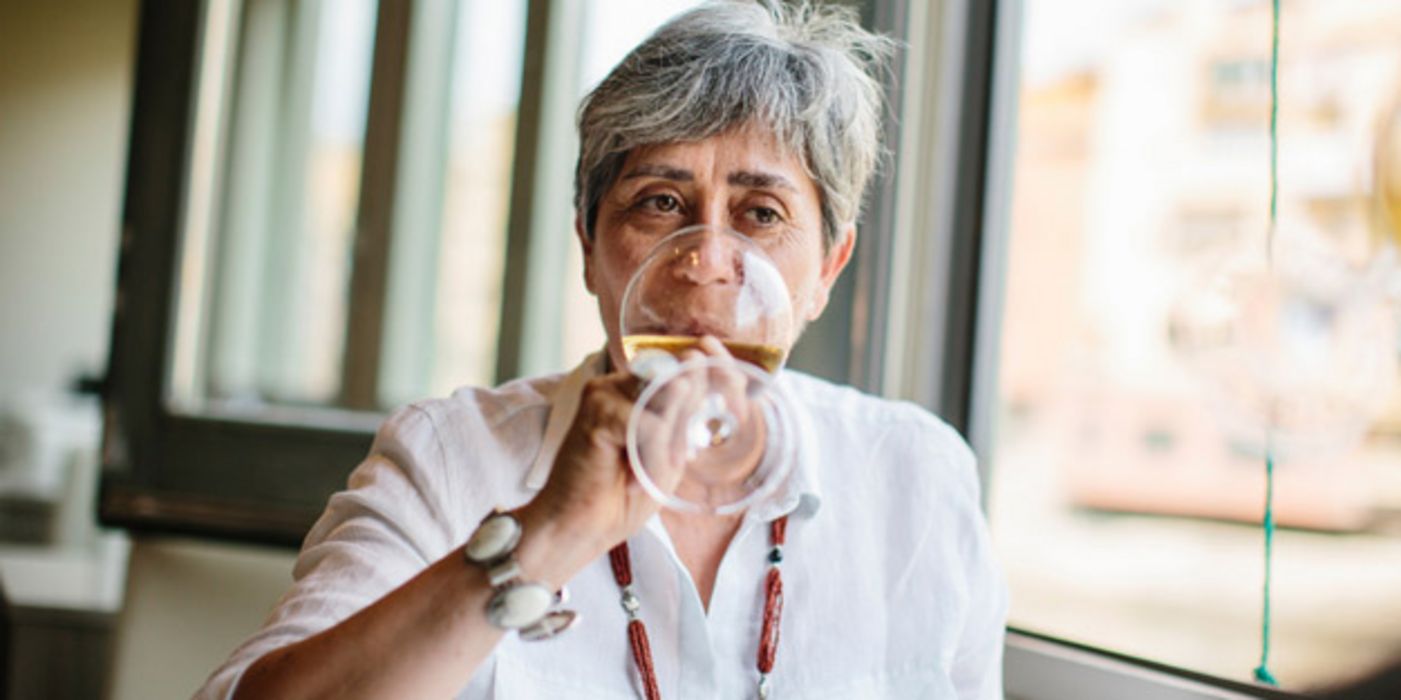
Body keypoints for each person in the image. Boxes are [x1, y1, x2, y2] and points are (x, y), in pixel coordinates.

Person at [197, 1, 1006, 697]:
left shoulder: (919, 478)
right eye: (660, 202)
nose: (705, 259)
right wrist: (546, 534)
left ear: (827, 269)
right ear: (587, 245)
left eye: (760, 214)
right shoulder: (449, 459)